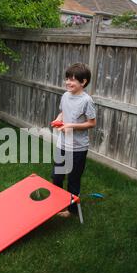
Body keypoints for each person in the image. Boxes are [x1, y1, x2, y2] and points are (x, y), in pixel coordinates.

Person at [51, 63, 96, 218]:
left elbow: (92, 123)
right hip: (62, 144)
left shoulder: (87, 101)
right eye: (67, 79)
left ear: (83, 82)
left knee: (73, 180)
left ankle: (71, 210)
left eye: (73, 80)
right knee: (56, 176)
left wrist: (71, 126)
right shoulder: (65, 95)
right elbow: (63, 112)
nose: (68, 82)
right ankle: (56, 205)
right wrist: (58, 120)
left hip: (78, 148)